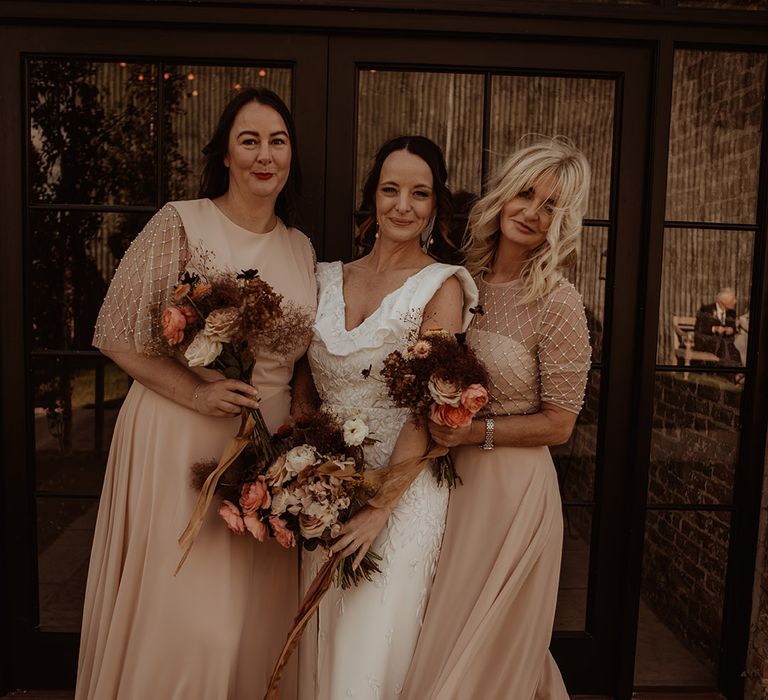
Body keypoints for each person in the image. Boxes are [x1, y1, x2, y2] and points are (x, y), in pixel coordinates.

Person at [76, 88, 316, 700]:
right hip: (182, 437)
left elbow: (303, 360)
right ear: (227, 155)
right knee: (191, 620)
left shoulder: (300, 246)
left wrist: (304, 437)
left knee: (249, 619)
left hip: (265, 454)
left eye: (278, 141)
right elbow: (115, 336)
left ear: (291, 156)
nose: (266, 155)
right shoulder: (182, 222)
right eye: (250, 140)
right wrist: (197, 394)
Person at [401, 138, 592, 699]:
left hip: (511, 493)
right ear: (504, 196)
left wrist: (474, 431)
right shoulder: (461, 281)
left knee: (490, 649)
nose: (532, 212)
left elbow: (560, 425)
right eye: (526, 194)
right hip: (446, 488)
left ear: (563, 223)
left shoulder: (558, 303)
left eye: (551, 206)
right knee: (441, 629)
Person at [298, 136, 478, 700]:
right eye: (391, 189)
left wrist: (378, 509)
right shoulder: (326, 276)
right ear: (372, 196)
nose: (403, 205)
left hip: (399, 495)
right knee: (321, 634)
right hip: (325, 488)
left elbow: (431, 405)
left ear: (434, 205)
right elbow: (305, 376)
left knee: (369, 646)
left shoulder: (441, 286)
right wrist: (305, 460)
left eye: (419, 193)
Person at [694, 287, 741, 366]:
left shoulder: (731, 313)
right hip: (706, 341)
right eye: (733, 299)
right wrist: (714, 329)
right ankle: (733, 373)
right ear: (723, 301)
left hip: (723, 343)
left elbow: (733, 328)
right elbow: (699, 328)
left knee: (731, 347)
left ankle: (734, 371)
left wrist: (731, 330)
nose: (735, 301)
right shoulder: (706, 309)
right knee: (724, 346)